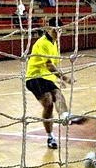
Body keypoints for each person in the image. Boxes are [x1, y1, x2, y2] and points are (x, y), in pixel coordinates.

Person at [25, 18, 77, 150]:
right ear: (48, 29)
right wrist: (65, 78)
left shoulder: (55, 44)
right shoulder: (42, 42)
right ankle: (50, 136)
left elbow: (53, 65)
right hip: (34, 76)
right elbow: (49, 65)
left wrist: (58, 80)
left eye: (59, 30)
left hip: (46, 77)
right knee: (48, 102)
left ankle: (65, 116)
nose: (57, 33)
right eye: (55, 30)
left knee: (58, 94)